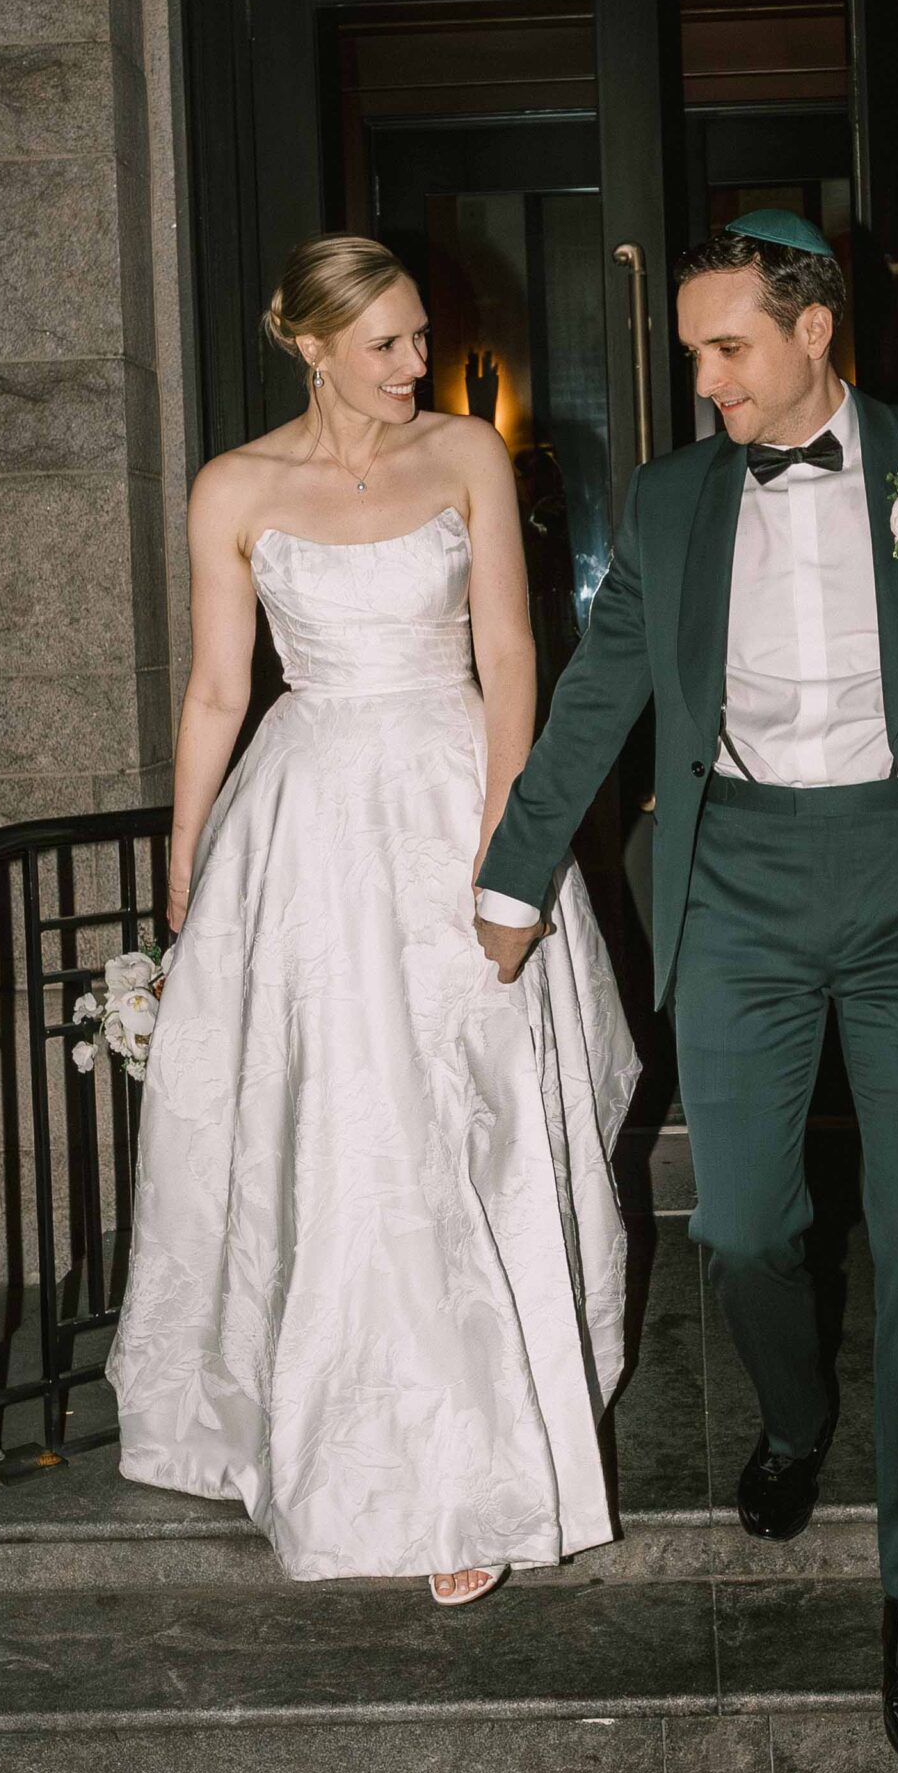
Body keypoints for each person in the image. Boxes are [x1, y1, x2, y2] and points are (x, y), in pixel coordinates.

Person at [475, 214, 898, 1754]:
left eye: (727, 349)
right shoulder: (669, 502)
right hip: (742, 891)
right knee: (746, 1225)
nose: (705, 381)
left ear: (815, 330)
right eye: (695, 353)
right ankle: (792, 1416)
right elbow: (596, 703)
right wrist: (512, 880)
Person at [107, 234, 638, 1605]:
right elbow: (220, 692)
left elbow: (514, 655)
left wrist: (502, 854)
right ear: (313, 342)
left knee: (465, 1124)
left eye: (418, 336)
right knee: (339, 1133)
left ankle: (480, 1473)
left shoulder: (465, 455)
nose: (416, 363)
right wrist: (184, 870)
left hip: (452, 794)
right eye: (390, 342)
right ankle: (328, 1437)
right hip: (306, 829)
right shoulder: (233, 486)